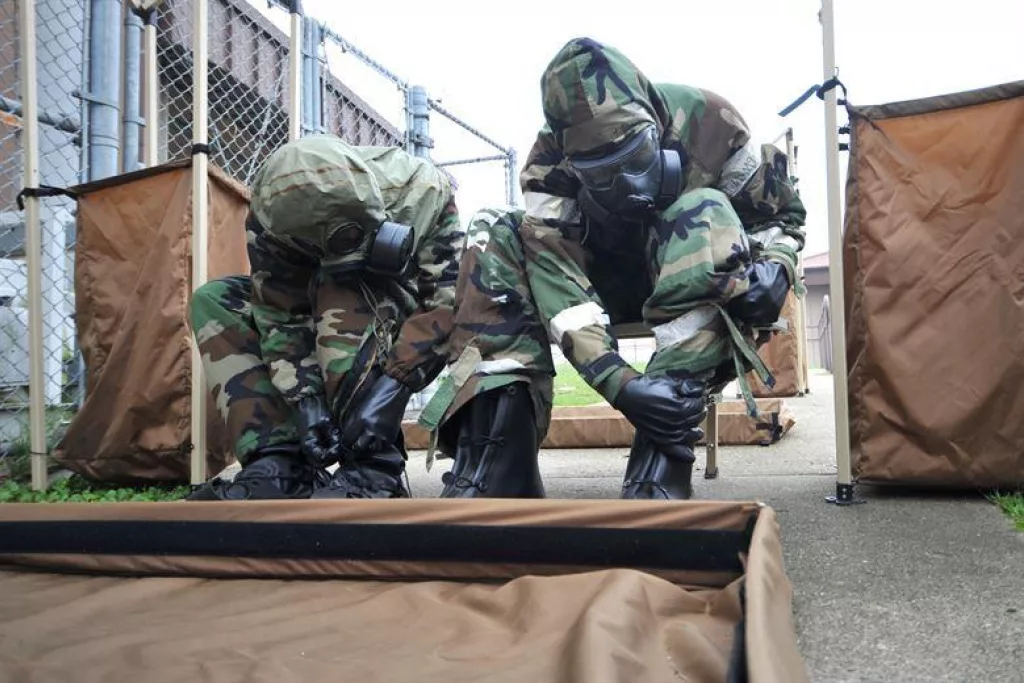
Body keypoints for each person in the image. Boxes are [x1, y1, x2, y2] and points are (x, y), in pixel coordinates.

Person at [418, 37, 806, 500]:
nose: (625, 185)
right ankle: (500, 457)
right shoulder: (546, 168)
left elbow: (782, 216)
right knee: (494, 230)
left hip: (693, 270)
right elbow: (559, 285)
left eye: (635, 158)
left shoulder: (712, 123)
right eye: (600, 173)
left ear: (655, 125)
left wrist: (778, 265)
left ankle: (662, 455)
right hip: (596, 283)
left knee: (699, 208)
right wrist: (620, 385)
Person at [186, 134, 463, 500]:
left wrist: (394, 387)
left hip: (393, 311)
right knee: (216, 301)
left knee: (338, 288)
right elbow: (279, 313)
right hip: (318, 306)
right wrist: (306, 401)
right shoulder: (273, 217)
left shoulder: (422, 192)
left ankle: (373, 471)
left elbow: (448, 305)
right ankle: (280, 466)